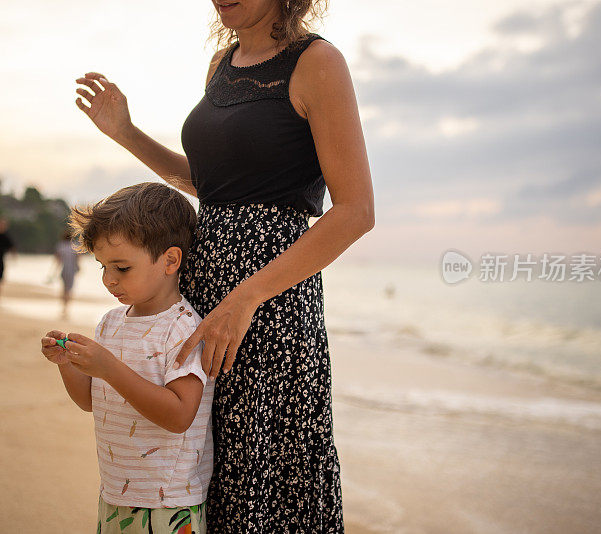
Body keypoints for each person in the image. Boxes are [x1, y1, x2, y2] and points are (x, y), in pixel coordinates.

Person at [74, 1, 375, 530]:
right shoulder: (221, 63)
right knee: (191, 464)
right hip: (200, 286)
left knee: (258, 477)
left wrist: (245, 297)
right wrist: (125, 131)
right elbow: (210, 183)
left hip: (268, 304)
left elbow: (355, 211)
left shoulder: (317, 62)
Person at [40, 182, 213, 534]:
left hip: (168, 501)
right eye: (103, 266)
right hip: (117, 490)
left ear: (170, 260)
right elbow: (91, 401)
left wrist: (108, 367)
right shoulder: (111, 323)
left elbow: (180, 415)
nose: (108, 279)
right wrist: (69, 364)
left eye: (122, 268)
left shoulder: (182, 329)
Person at [55, 229, 80, 318]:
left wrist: (54, 272)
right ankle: (66, 308)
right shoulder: (74, 246)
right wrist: (79, 268)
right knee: (69, 290)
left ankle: (63, 307)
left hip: (64, 270)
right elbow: (78, 259)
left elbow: (57, 260)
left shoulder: (60, 246)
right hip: (72, 271)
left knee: (64, 289)